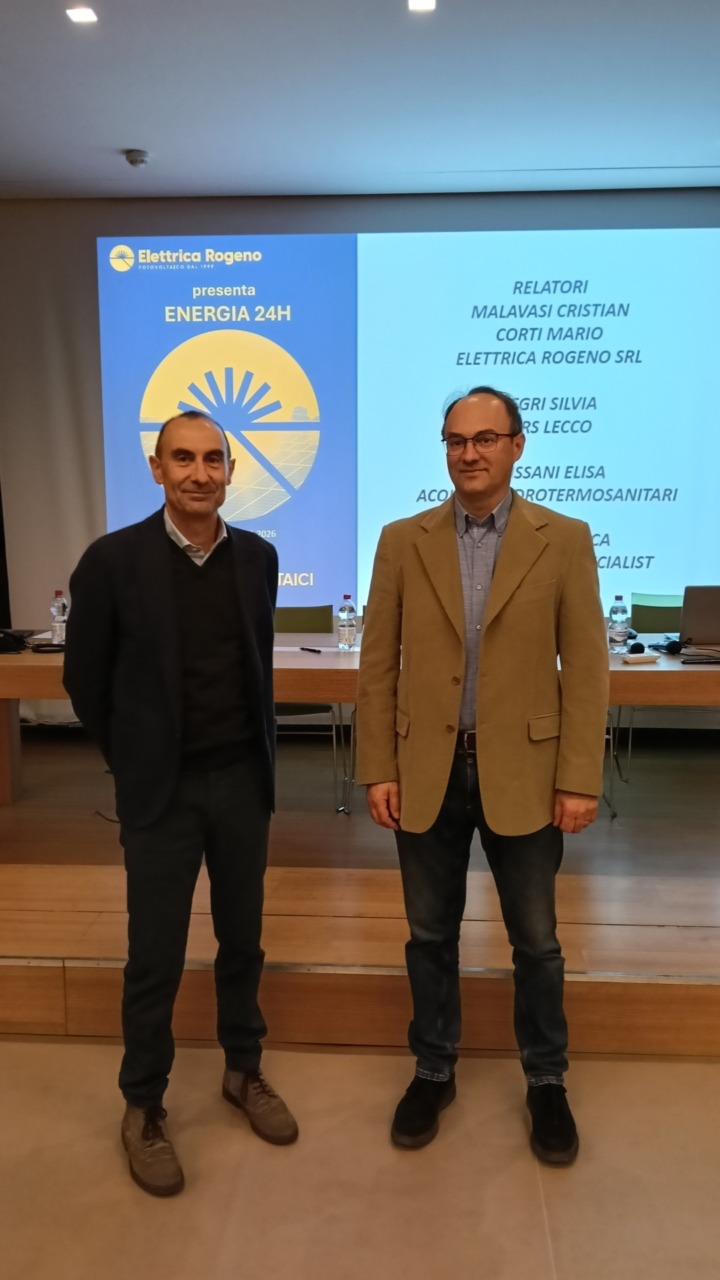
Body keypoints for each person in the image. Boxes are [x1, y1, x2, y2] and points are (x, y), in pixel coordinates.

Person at [356, 386, 608, 1165]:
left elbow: (587, 668)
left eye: (486, 439)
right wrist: (377, 767)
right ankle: (433, 1068)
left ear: (517, 446)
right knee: (430, 933)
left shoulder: (563, 539)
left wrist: (580, 777)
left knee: (537, 941)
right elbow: (377, 664)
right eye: (456, 441)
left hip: (526, 770)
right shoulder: (402, 540)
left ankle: (546, 1080)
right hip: (425, 769)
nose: (470, 453)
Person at [64, 410, 298, 1197]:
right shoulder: (112, 561)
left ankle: (242, 1070)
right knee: (155, 956)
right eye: (184, 458)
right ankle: (144, 1106)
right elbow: (83, 681)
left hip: (242, 787)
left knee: (243, 942)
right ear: (157, 468)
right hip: (161, 794)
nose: (200, 473)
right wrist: (133, 759)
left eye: (214, 459)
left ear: (230, 470)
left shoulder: (258, 558)